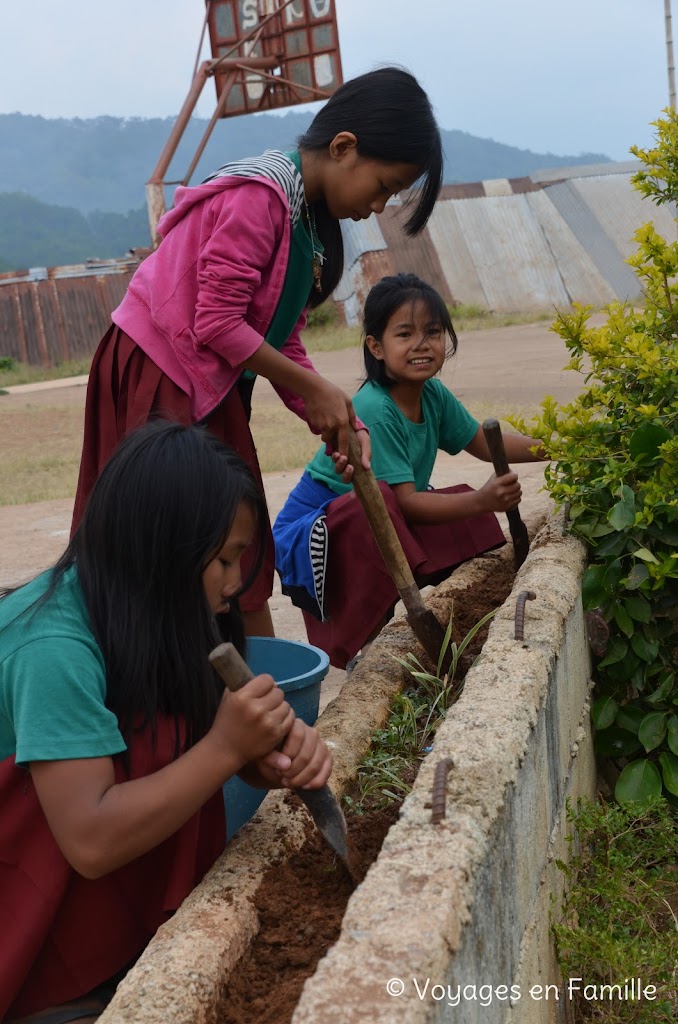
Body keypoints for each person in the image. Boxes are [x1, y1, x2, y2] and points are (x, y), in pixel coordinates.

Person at [71, 66, 445, 639]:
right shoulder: (260, 196)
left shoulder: (306, 223)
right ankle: (172, 689)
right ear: (344, 148)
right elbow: (217, 321)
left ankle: (262, 683)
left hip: (209, 377)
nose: (377, 206)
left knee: (236, 536)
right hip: (159, 370)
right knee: (176, 544)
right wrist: (318, 390)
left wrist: (336, 416)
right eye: (383, 186)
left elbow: (279, 338)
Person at [0, 422, 331, 1024]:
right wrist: (227, 747)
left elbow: (185, 741)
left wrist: (263, 758)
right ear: (163, 551)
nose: (237, 583)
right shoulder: (51, 648)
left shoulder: (158, 606)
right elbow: (91, 840)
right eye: (225, 559)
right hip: (23, 926)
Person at [273, 274, 546, 669]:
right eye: (405, 334)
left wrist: (560, 446)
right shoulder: (375, 409)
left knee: (462, 510)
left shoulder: (431, 394)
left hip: (383, 514)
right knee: (394, 504)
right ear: (376, 347)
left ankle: (455, 605)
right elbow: (404, 503)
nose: (422, 344)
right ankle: (367, 646)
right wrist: (483, 499)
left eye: (433, 332)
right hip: (317, 534)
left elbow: (484, 443)